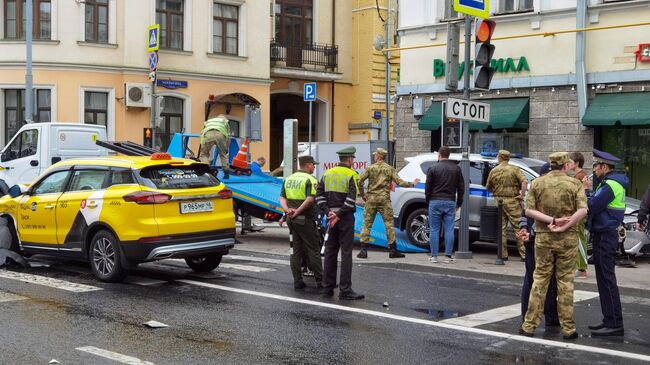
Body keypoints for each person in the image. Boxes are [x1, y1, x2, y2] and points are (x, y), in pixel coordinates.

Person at [519, 152, 587, 340]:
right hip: (568, 239)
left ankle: (529, 325)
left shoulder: (538, 183)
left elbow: (528, 210)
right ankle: (568, 328)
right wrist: (565, 224)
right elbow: (583, 209)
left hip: (544, 237)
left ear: (551, 164)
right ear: (566, 165)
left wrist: (552, 220)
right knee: (565, 282)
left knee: (540, 279)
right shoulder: (575, 184)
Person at [582, 149, 628, 337]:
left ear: (604, 167)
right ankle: (609, 319)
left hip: (605, 235)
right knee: (604, 280)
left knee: (607, 280)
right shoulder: (611, 183)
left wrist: (585, 191)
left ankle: (614, 323)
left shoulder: (610, 184)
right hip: (606, 234)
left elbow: (592, 206)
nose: (594, 169)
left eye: (595, 166)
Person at [315, 146, 364, 300]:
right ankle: (345, 290)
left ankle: (327, 288)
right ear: (350, 160)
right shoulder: (352, 174)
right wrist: (338, 214)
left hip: (330, 217)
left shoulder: (327, 174)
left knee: (330, 252)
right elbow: (350, 200)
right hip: (345, 217)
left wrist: (328, 212)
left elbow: (319, 196)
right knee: (346, 252)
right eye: (353, 159)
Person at [357, 148, 420, 259]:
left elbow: (359, 181)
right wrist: (413, 184)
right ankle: (393, 250)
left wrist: (363, 194)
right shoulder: (390, 169)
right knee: (389, 225)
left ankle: (363, 251)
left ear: (378, 156)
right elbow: (400, 182)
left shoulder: (370, 168)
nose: (374, 156)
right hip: (384, 200)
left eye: (375, 155)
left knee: (367, 224)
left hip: (371, 199)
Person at [517, 162, 559, 327]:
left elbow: (524, 214)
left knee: (544, 280)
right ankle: (533, 317)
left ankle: (550, 317)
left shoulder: (536, 190)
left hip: (539, 239)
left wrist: (525, 228)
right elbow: (527, 214)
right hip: (537, 240)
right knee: (535, 279)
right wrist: (526, 229)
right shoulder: (541, 191)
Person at [280, 156, 323, 290]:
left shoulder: (288, 179)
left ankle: (297, 281)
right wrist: (298, 211)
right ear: (308, 165)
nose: (314, 167)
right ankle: (321, 281)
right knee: (313, 249)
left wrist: (288, 211)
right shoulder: (310, 179)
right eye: (313, 165)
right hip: (305, 220)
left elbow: (282, 197)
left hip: (291, 220)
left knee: (295, 250)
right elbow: (310, 200)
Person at [424, 146, 464, 264]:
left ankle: (434, 256)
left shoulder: (433, 168)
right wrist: (459, 203)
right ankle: (448, 256)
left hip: (434, 201)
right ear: (449, 155)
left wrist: (428, 199)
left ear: (439, 155)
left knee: (434, 229)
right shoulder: (456, 169)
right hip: (450, 201)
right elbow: (461, 187)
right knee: (449, 229)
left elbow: (428, 187)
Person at [486, 150, 528, 261]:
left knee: (501, 229)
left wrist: (496, 192)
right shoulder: (514, 169)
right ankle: (524, 254)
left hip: (498, 201)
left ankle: (502, 254)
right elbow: (525, 182)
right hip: (512, 201)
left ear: (499, 158)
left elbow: (488, 186)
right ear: (508, 158)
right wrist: (522, 195)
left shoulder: (493, 171)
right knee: (518, 227)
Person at [568, 152, 589, 279]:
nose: (568, 164)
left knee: (579, 240)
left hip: (578, 212)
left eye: (570, 162)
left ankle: (582, 269)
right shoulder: (580, 175)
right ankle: (579, 266)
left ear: (576, 163)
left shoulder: (580, 176)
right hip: (579, 211)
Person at [200, 114, 231, 179]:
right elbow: (228, 137)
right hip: (220, 135)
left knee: (204, 154)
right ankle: (226, 174)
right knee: (223, 154)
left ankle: (206, 171)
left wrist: (203, 143)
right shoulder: (225, 121)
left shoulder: (209, 121)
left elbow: (202, 132)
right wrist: (226, 149)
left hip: (208, 134)